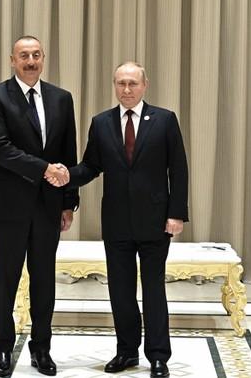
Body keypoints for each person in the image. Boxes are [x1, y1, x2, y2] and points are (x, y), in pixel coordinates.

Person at [59, 62, 188, 378]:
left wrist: (176, 214)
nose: (126, 89)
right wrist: (66, 175)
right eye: (121, 83)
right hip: (117, 221)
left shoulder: (165, 120)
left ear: (145, 85)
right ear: (114, 85)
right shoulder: (101, 123)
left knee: (154, 289)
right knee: (120, 290)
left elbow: (178, 169)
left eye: (132, 83)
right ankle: (127, 352)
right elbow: (91, 166)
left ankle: (158, 356)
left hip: (155, 221)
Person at [0, 36, 76, 377]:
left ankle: (42, 348)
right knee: (6, 280)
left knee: (44, 281)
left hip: (49, 207)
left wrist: (69, 202)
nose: (31, 61)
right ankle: (4, 348)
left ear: (43, 58)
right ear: (12, 60)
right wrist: (44, 169)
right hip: (8, 207)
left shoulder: (61, 98)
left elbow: (67, 152)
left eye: (36, 55)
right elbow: (0, 149)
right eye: (24, 56)